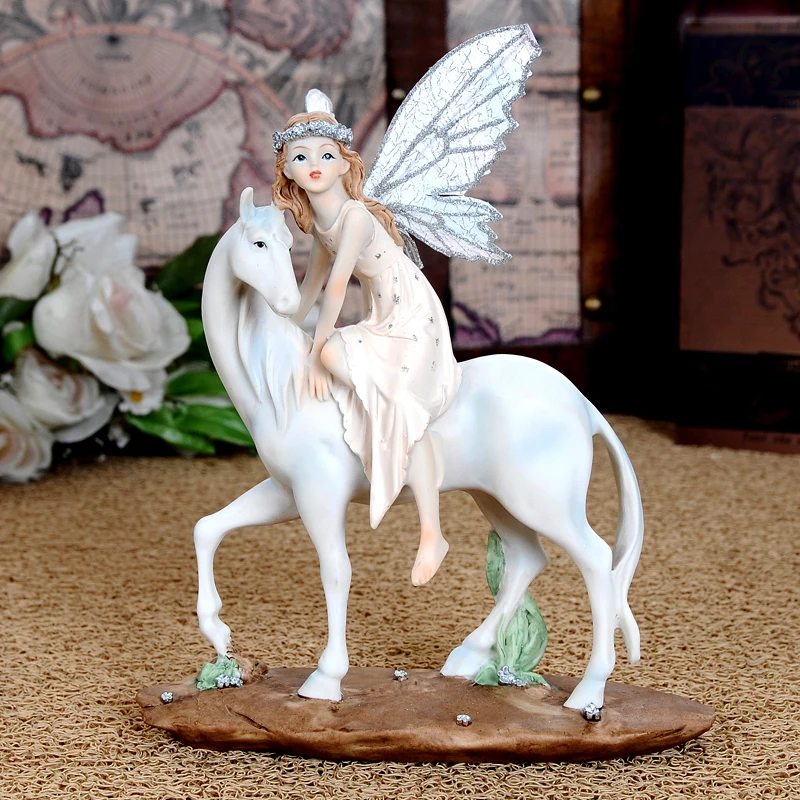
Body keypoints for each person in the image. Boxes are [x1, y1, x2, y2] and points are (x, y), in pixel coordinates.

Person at [272, 109, 462, 586]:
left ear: (343, 164)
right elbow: (312, 285)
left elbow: (337, 288)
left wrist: (317, 351)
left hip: (410, 311)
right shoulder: (321, 223)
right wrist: (282, 329)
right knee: (332, 353)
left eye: (326, 155)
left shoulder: (354, 217)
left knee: (368, 376)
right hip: (383, 312)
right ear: (287, 169)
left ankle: (432, 531)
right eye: (301, 157)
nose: (314, 165)